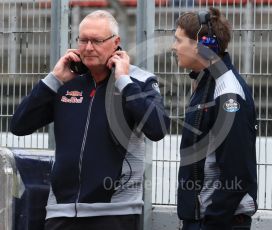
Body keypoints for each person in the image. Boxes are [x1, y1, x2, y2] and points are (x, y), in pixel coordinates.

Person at [11, 10, 169, 230]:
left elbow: (157, 128)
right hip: (60, 212)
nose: (88, 48)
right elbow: (19, 125)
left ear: (116, 43)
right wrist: (53, 79)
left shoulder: (139, 81)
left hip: (115, 212)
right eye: (83, 40)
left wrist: (123, 80)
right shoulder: (67, 82)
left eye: (96, 41)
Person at [171, 8, 257, 230]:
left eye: (178, 40)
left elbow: (237, 171)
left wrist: (213, 221)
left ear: (202, 46)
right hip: (203, 218)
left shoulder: (227, 93)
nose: (174, 46)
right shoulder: (206, 82)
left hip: (217, 222)